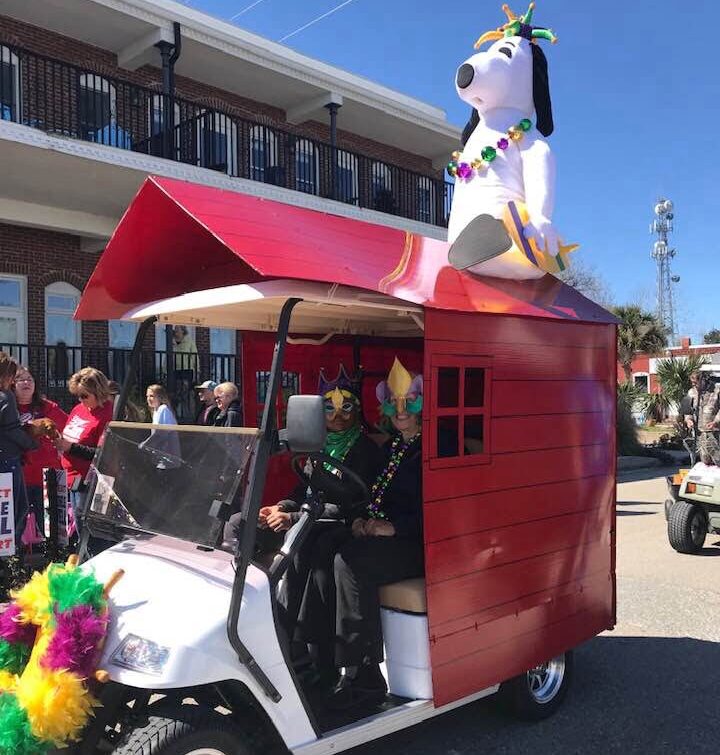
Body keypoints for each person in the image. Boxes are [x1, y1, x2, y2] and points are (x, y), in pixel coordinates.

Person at [297, 357, 424, 708]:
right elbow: (374, 495)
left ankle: (363, 673)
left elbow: (442, 509)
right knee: (324, 545)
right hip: (385, 534)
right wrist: (362, 520)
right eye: (395, 404)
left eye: (409, 403)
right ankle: (318, 655)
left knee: (349, 561)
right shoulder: (393, 447)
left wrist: (394, 527)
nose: (401, 411)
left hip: (420, 543)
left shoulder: (435, 449)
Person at [259, 367, 383, 676]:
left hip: (342, 523)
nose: (338, 415)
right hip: (314, 517)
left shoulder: (366, 450)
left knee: (313, 545)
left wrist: (294, 518)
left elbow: (351, 502)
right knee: (239, 523)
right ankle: (258, 623)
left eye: (346, 407)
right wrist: (282, 506)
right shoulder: (320, 446)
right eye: (329, 408)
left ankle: (305, 649)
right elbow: (304, 489)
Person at [53, 367, 114, 534]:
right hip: (73, 479)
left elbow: (104, 453)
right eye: (78, 396)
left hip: (95, 481)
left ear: (99, 392)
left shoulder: (108, 414)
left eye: (85, 396)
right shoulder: (79, 409)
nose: (81, 400)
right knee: (80, 529)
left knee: (94, 533)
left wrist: (70, 447)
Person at [13, 365, 67, 537]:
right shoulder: (7, 407)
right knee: (17, 520)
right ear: (12, 383)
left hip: (47, 472)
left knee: (50, 522)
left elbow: (67, 427)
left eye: (30, 379)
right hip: (20, 473)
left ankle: (53, 557)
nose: (26, 382)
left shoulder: (47, 407)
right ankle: (16, 558)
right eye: (21, 379)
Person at [0, 353, 37, 549]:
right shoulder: (6, 397)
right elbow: (12, 429)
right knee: (15, 511)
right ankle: (9, 560)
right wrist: (32, 444)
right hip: (7, 461)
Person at [684, 371, 720, 464]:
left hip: (715, 432)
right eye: (692, 383)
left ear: (703, 380)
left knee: (718, 459)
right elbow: (688, 410)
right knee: (705, 460)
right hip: (700, 432)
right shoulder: (691, 392)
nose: (693, 385)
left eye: (696, 382)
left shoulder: (717, 390)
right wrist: (689, 420)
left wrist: (716, 421)